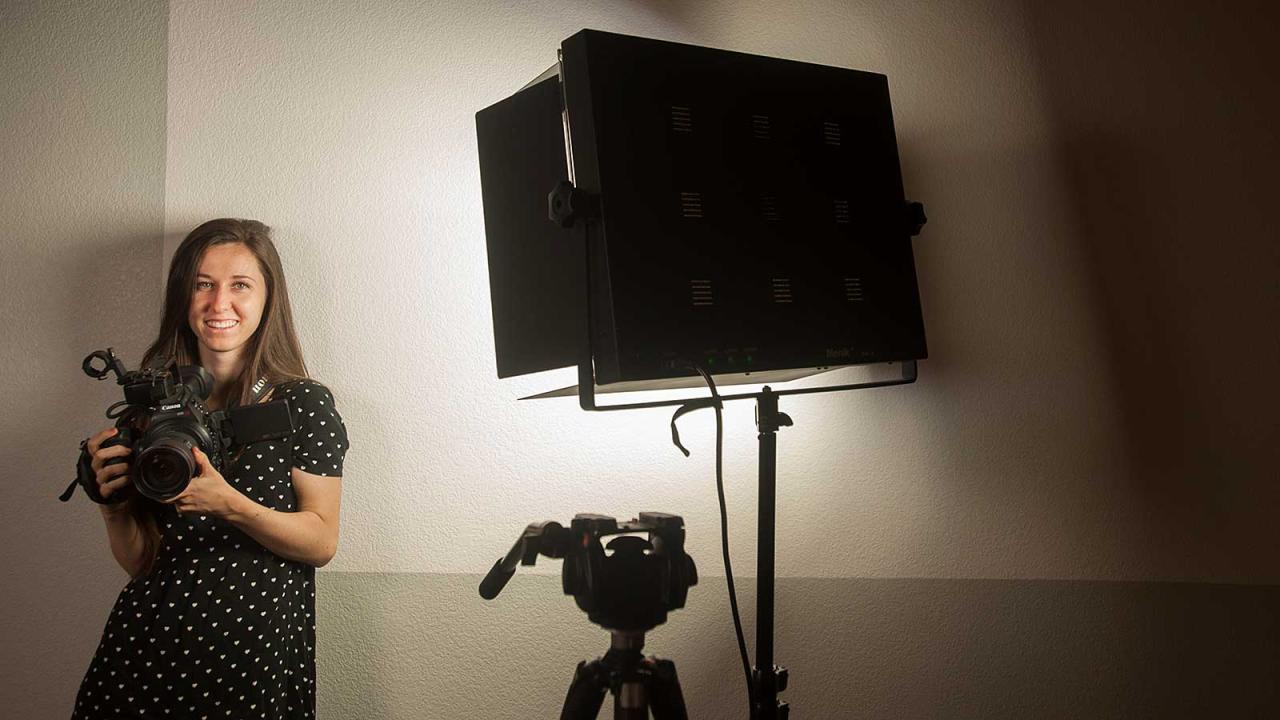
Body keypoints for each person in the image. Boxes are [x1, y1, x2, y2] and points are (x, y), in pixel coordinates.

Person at [71, 219, 348, 719]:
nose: (219, 303)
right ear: (185, 296)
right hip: (141, 658)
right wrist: (111, 507)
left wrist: (233, 507)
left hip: (250, 665)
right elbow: (141, 563)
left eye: (240, 285)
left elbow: (321, 541)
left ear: (268, 299)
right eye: (203, 284)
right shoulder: (152, 411)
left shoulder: (301, 403)